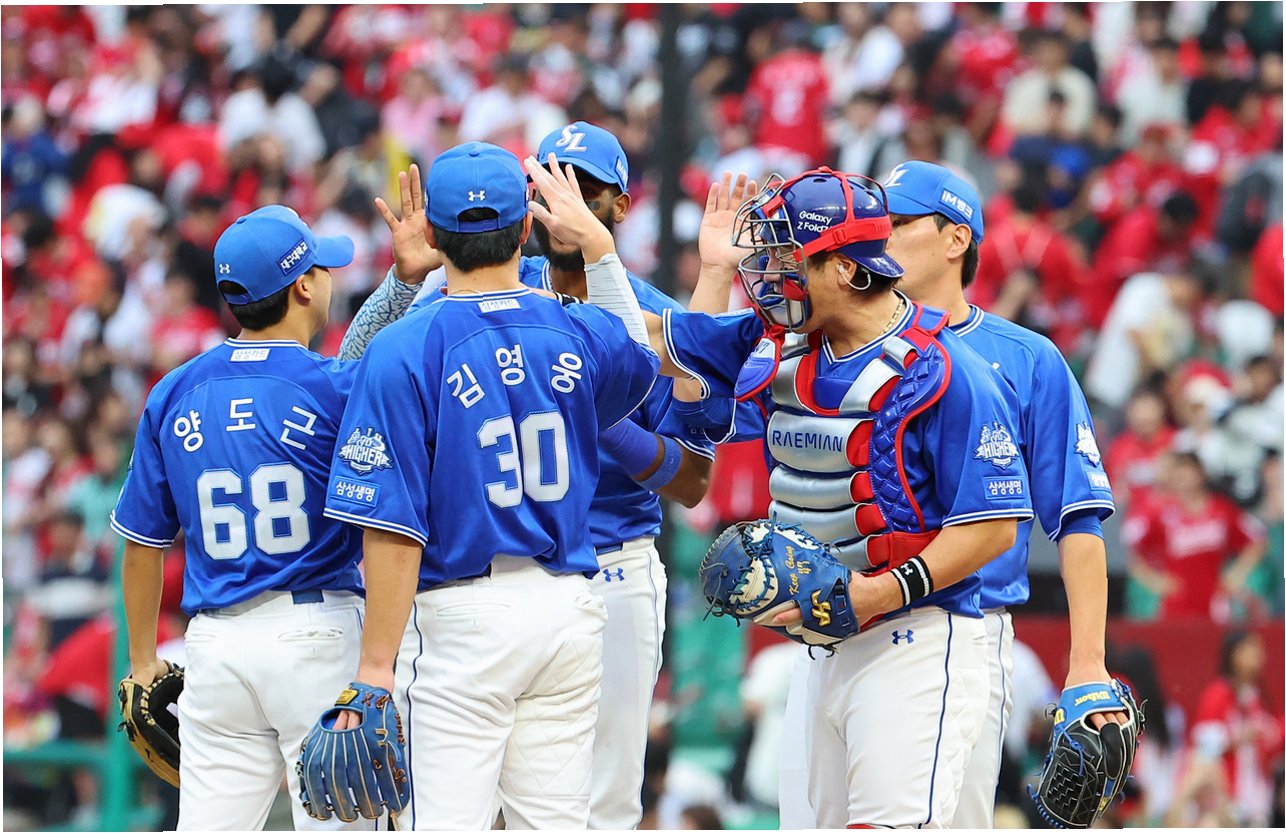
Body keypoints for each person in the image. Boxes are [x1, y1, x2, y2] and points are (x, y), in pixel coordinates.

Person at [651, 167, 1035, 827]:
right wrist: (713, 272)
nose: (771, 275)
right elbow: (675, 358)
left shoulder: (945, 371)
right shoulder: (782, 345)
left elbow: (994, 526)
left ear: (849, 269)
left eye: (789, 258)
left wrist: (877, 593)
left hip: (917, 638)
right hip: (821, 647)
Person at [318, 142, 659, 829]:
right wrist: (601, 252)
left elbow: (391, 525)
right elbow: (640, 359)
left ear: (433, 233)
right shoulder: (576, 325)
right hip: (566, 608)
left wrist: (375, 666)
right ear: (527, 227)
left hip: (460, 621)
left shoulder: (407, 344)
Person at [407, 123, 714, 829]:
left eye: (583, 189)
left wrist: (602, 420)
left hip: (612, 561)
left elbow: (693, 481)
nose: (562, 203)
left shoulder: (655, 316)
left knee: (602, 802)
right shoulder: (482, 295)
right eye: (546, 187)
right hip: (492, 572)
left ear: (620, 206)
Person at [110, 172, 431, 830]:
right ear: (304, 286)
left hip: (215, 646)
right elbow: (374, 359)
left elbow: (142, 542)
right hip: (315, 632)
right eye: (321, 267)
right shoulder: (333, 384)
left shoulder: (174, 391)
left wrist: (142, 661)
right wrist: (407, 286)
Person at [877, 160, 1126, 827]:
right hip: (848, 623)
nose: (880, 233)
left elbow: (1077, 519)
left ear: (956, 238)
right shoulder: (846, 342)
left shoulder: (1027, 358)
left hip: (964, 626)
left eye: (898, 222)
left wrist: (1088, 662)